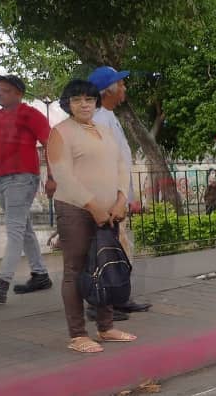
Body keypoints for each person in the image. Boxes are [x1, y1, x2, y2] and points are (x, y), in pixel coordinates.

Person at [47, 79, 137, 353]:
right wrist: (93, 206)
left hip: (110, 211)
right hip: (75, 209)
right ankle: (77, 335)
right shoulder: (61, 132)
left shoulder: (103, 130)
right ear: (68, 104)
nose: (84, 104)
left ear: (95, 101)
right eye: (77, 100)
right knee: (75, 270)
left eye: (88, 99)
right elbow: (63, 175)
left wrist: (121, 199)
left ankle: (106, 327)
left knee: (104, 265)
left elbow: (122, 165)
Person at [0, 75, 54, 303]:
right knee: (24, 228)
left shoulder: (31, 114)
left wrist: (52, 178)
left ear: (18, 93)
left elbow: (51, 144)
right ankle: (40, 275)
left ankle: (2, 283)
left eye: (5, 90)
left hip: (21, 178)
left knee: (14, 230)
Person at [87, 66, 150, 317]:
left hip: (116, 197)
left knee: (121, 249)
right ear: (108, 91)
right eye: (120, 84)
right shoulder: (99, 120)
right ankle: (99, 304)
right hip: (107, 198)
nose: (124, 88)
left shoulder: (108, 117)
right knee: (106, 252)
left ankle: (118, 298)